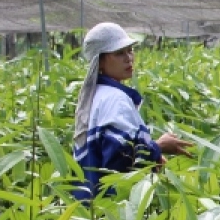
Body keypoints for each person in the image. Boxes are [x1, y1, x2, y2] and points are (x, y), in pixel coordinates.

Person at [72, 22, 192, 200]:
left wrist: (153, 157)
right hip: (111, 208)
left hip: (90, 207)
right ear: (100, 61)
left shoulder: (98, 95)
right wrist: (158, 147)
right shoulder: (115, 99)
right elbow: (118, 161)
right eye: (119, 53)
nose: (129, 58)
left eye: (130, 50)